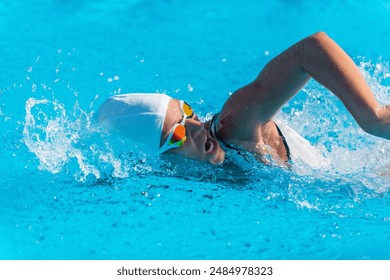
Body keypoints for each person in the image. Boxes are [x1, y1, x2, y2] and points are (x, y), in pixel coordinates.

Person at [97, 32, 390, 167]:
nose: (197, 127)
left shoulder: (233, 123)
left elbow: (311, 49)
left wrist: (372, 117)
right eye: (176, 133)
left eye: (186, 111)